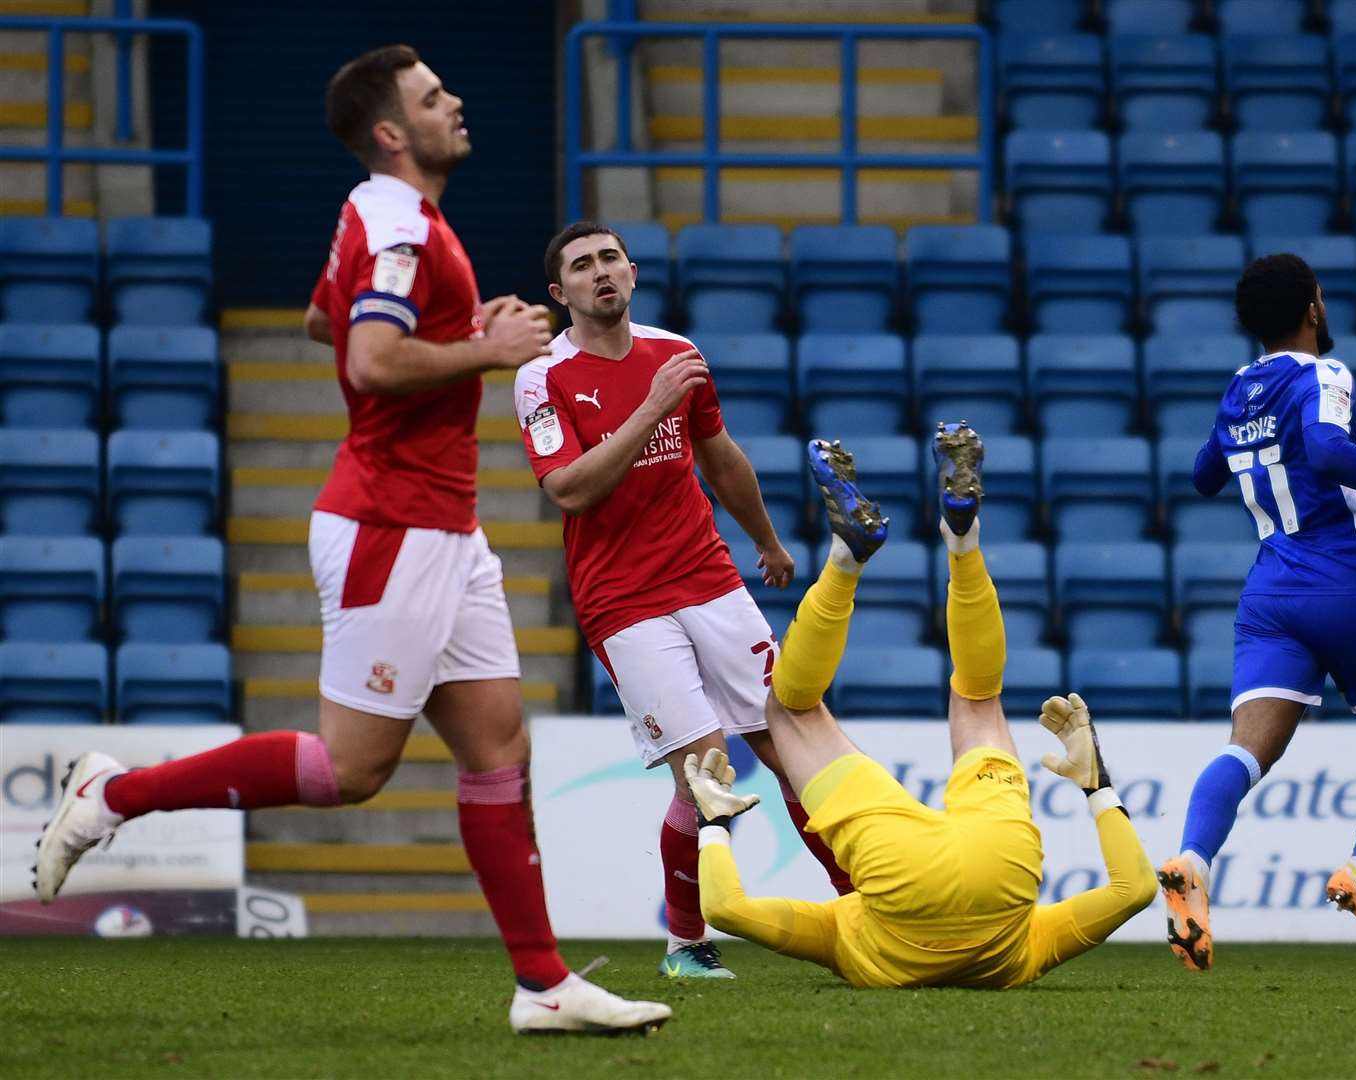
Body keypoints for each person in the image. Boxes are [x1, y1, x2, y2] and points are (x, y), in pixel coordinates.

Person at [32, 45, 668, 1035]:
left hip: (445, 526)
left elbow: (325, 317)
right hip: (390, 526)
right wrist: (487, 350)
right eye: (430, 97)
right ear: (390, 133)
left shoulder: (383, 218)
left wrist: (465, 333)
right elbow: (369, 361)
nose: (453, 102)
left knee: (499, 747)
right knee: (350, 771)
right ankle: (115, 795)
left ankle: (543, 986)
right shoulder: (399, 218)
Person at [686, 424, 1158, 989]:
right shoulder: (846, 940)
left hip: (1000, 868)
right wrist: (712, 822)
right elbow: (726, 909)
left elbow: (1136, 890)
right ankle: (847, 560)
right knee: (792, 710)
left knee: (979, 699)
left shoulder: (1024, 955)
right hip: (903, 866)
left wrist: (1097, 785)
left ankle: (962, 541)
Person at [513, 221, 853, 980]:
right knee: (706, 770)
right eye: (581, 265)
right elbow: (570, 490)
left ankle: (864, 904)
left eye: (609, 259)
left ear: (631, 272)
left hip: (708, 576)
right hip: (623, 601)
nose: (600, 273)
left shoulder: (677, 354)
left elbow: (718, 455)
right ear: (558, 292)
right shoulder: (542, 377)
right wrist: (649, 409)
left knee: (789, 745)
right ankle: (686, 945)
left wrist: (764, 540)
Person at [1154, 253, 1356, 971]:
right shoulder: (1323, 375)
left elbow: (1202, 476)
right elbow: (1329, 452)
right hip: (1339, 576)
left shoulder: (1240, 388)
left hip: (1269, 588)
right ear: (1312, 308)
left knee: (1248, 748)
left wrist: (1245, 441)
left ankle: (1192, 860)